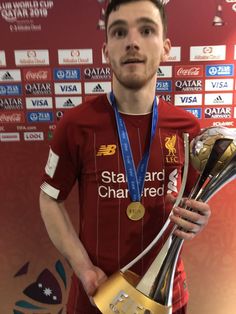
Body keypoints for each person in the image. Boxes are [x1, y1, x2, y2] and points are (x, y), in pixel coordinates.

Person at [39, 0, 211, 313]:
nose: (132, 41)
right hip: (97, 294)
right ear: (106, 51)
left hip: (165, 294)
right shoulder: (76, 124)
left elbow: (193, 203)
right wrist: (83, 268)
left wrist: (199, 218)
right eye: (119, 32)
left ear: (165, 48)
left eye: (146, 30)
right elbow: (49, 199)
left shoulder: (188, 128)